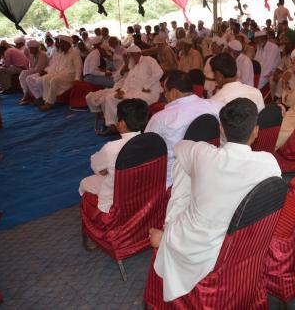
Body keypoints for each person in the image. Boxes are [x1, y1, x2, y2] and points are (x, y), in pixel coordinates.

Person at [150, 98, 282, 301]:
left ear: (221, 128)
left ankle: (169, 236)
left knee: (182, 168)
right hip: (245, 244)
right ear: (256, 130)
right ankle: (170, 236)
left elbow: (180, 147)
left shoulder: (203, 155)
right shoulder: (269, 163)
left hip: (204, 251)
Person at [145, 71, 223, 187]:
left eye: (165, 92)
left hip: (173, 182)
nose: (164, 95)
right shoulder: (217, 107)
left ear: (174, 92)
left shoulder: (160, 118)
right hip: (210, 172)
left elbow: (146, 152)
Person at [78, 99, 148, 213]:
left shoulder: (112, 147)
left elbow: (96, 165)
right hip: (143, 190)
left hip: (118, 194)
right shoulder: (153, 141)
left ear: (121, 124)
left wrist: (105, 170)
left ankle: (98, 215)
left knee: (85, 182)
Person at [86, 45, 163, 136]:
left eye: (131, 55)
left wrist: (147, 86)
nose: (130, 58)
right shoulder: (132, 64)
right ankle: (113, 125)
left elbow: (159, 73)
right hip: (133, 92)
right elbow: (128, 81)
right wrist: (122, 91)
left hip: (148, 92)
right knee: (110, 98)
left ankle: (128, 126)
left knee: (126, 100)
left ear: (138, 53)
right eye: (129, 56)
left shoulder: (148, 60)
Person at [36, 35, 83, 111]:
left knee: (54, 80)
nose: (60, 45)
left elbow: (79, 67)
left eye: (62, 43)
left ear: (67, 43)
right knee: (45, 78)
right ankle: (45, 99)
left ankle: (50, 103)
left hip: (71, 75)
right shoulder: (62, 52)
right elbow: (57, 65)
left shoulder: (74, 52)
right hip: (61, 73)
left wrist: (77, 79)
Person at [18, 40, 48, 105]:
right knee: (24, 74)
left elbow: (40, 68)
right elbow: (31, 67)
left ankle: (28, 95)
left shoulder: (42, 54)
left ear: (37, 48)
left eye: (31, 48)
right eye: (29, 48)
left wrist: (29, 71)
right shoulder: (31, 55)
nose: (30, 50)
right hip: (35, 71)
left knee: (24, 74)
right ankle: (27, 93)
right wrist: (29, 70)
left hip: (43, 72)